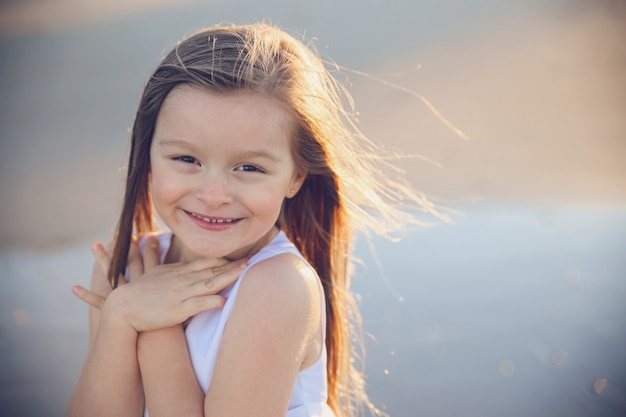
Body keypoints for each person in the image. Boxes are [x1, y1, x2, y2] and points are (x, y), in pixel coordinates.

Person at [67, 23, 444, 417]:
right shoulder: (126, 267)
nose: (214, 194)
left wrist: (150, 326)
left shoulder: (278, 288)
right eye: (186, 159)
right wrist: (121, 315)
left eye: (248, 167)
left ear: (296, 175)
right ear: (147, 157)